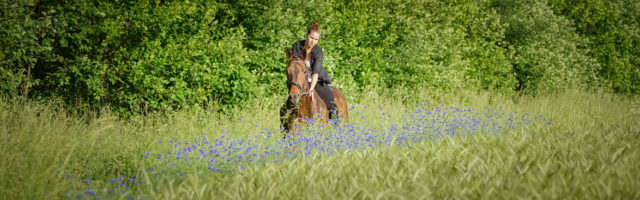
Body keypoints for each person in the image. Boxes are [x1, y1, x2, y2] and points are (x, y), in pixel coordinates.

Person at [290, 21, 338, 120]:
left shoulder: (318, 52)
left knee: (332, 104)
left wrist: (311, 89)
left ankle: (336, 128)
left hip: (316, 80)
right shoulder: (296, 46)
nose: (313, 41)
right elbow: (294, 64)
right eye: (311, 38)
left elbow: (315, 73)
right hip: (299, 80)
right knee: (287, 105)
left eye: (316, 39)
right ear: (307, 35)